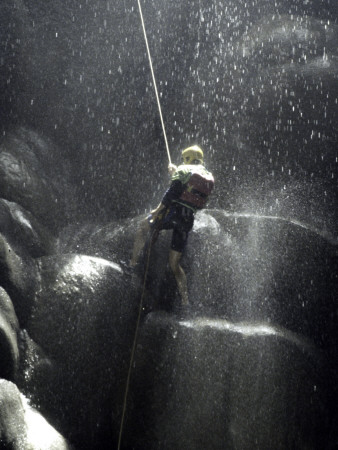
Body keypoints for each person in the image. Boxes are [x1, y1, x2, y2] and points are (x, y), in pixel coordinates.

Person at [130, 145, 214, 306]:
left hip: (172, 213)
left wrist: (157, 210)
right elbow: (194, 195)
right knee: (174, 264)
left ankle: (132, 264)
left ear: (187, 158)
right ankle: (185, 301)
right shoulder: (206, 175)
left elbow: (172, 192)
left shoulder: (183, 169)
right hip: (187, 219)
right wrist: (175, 172)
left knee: (142, 227)